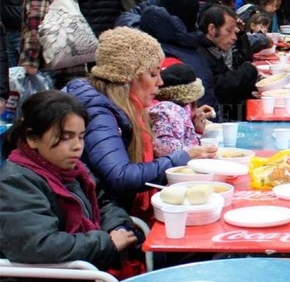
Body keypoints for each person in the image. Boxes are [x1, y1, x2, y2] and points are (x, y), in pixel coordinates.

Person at [64, 27, 216, 221]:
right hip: (108, 220)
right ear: (128, 78)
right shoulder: (99, 113)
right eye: (153, 74)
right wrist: (182, 157)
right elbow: (120, 177)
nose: (160, 82)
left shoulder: (123, 107)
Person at [0, 90, 140, 270]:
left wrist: (118, 227)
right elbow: (39, 245)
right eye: (66, 138)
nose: (77, 146)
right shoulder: (16, 181)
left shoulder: (75, 170)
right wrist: (105, 242)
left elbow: (104, 203)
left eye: (81, 137)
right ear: (32, 138)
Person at [196, 6, 259, 122]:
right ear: (212, 29)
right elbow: (220, 88)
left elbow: (242, 62)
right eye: (229, 31)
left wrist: (241, 35)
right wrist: (249, 70)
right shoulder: (199, 54)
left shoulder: (213, 49)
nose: (234, 37)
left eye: (234, 32)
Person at [149, 62, 215, 157]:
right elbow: (165, 147)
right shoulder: (167, 110)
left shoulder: (179, 109)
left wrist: (197, 130)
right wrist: (195, 152)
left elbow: (186, 140)